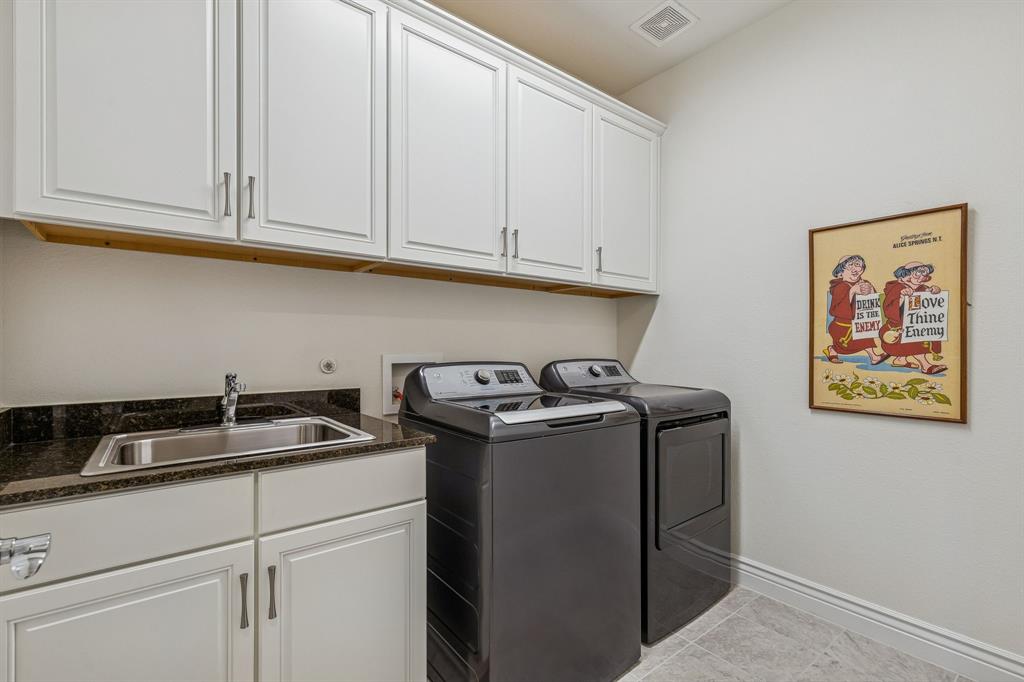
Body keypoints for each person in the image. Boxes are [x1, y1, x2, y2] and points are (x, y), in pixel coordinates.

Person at [879, 261, 948, 375]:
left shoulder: (922, 288)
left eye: (924, 275)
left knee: (917, 335)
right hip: (896, 328)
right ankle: (926, 366)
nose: (921, 278)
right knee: (915, 341)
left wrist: (934, 291)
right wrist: (902, 297)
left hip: (915, 325)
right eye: (917, 274)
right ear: (904, 277)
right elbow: (888, 310)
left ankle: (900, 360)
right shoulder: (896, 288)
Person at [823, 255, 889, 365]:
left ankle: (874, 357)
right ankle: (832, 350)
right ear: (840, 273)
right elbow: (836, 310)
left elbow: (874, 305)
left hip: (859, 323)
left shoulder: (865, 283)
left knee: (864, 335)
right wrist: (852, 291)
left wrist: (871, 291)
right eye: (850, 265)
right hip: (842, 326)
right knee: (847, 344)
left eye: (858, 265)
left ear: (862, 269)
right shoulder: (840, 287)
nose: (854, 268)